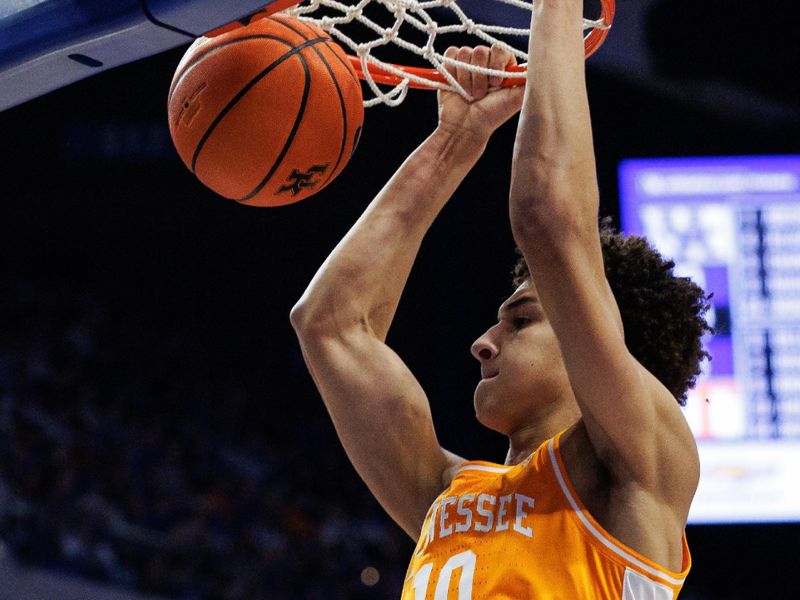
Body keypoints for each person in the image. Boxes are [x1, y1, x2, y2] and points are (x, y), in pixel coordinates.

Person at [290, 0, 711, 597]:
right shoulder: (444, 493)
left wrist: (558, 9)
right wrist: (455, 140)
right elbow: (329, 325)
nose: (482, 343)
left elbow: (548, 218)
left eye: (521, 320)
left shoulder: (639, 468)